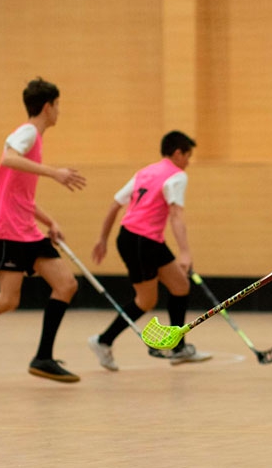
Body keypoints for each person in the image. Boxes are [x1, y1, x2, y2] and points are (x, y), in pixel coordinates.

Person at [0, 77, 87, 383]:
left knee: (66, 285)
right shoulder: (27, 132)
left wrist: (50, 222)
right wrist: (54, 173)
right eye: (58, 105)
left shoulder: (36, 138)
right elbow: (8, 158)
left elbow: (20, 195)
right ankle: (43, 357)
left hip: (27, 229)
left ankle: (43, 358)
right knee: (8, 300)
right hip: (10, 229)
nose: (59, 111)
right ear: (47, 106)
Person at [87, 130, 211, 370]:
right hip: (140, 240)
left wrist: (102, 238)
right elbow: (175, 214)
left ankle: (178, 348)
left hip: (140, 239)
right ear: (177, 153)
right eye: (187, 155)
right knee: (146, 300)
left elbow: (115, 205)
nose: (188, 162)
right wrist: (185, 253)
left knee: (180, 286)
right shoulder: (177, 175)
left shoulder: (145, 172)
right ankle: (103, 341)